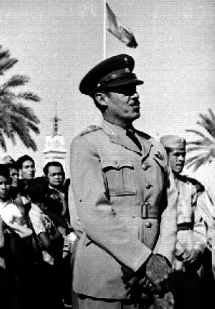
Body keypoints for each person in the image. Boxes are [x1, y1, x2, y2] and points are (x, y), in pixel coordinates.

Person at [69, 54, 178, 309]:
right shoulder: (87, 145)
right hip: (106, 282)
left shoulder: (155, 147)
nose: (135, 95)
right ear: (101, 99)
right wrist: (144, 261)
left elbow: (169, 206)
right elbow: (94, 215)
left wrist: (161, 257)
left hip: (152, 282)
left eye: (135, 89)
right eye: (125, 91)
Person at [160, 135, 208, 309]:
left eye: (183, 154)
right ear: (164, 155)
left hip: (191, 254)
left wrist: (197, 248)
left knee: (191, 301)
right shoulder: (157, 186)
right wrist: (178, 248)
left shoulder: (189, 187)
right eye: (176, 155)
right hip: (168, 253)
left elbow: (199, 223)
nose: (181, 159)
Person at [0, 163, 33, 309]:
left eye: (7, 183)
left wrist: (9, 228)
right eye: (0, 183)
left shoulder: (15, 206)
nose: (4, 187)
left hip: (16, 256)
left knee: (17, 295)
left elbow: (24, 230)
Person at [26, 177, 65, 309]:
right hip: (46, 263)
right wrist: (55, 236)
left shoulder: (42, 213)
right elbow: (46, 242)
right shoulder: (34, 214)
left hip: (52, 261)